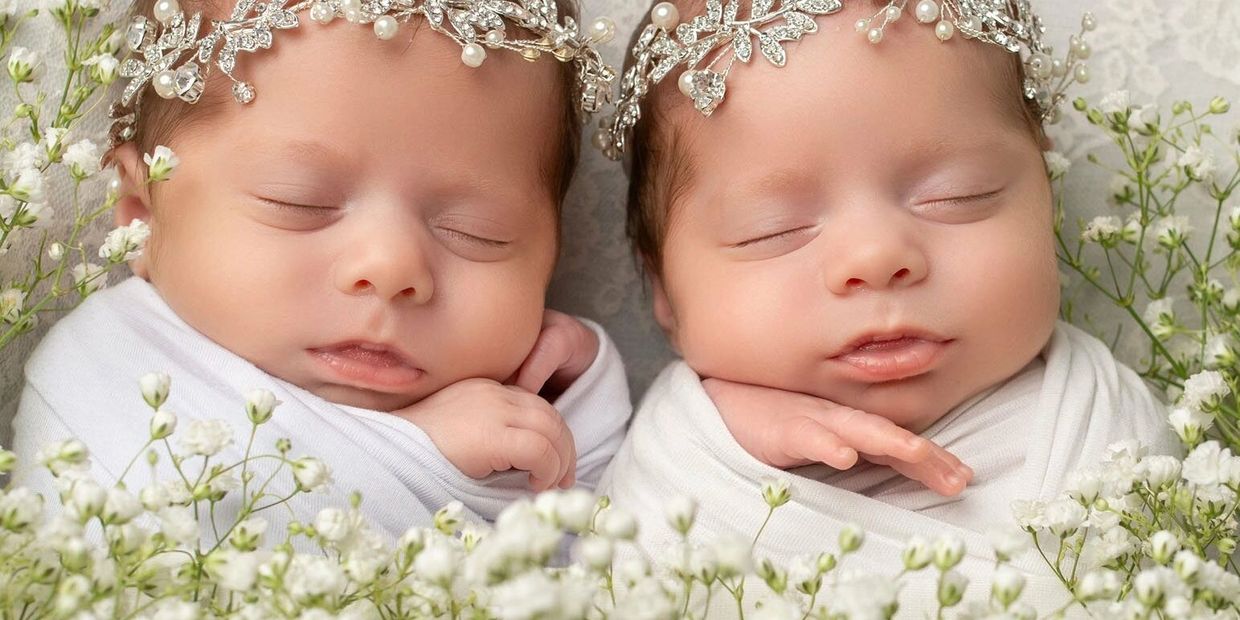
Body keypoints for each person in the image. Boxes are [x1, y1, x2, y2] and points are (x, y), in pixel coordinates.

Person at [596, 0, 1177, 611]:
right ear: (663, 288)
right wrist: (716, 435)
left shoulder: (1102, 428)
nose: (876, 257)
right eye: (772, 230)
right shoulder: (680, 455)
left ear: (1046, 202)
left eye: (958, 195)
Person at [13, 0, 631, 537]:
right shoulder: (105, 364)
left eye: (476, 233)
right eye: (298, 201)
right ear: (141, 213)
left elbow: (615, 545)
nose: (391, 268)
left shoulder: (526, 404)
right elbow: (169, 546)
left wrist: (578, 391)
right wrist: (418, 451)